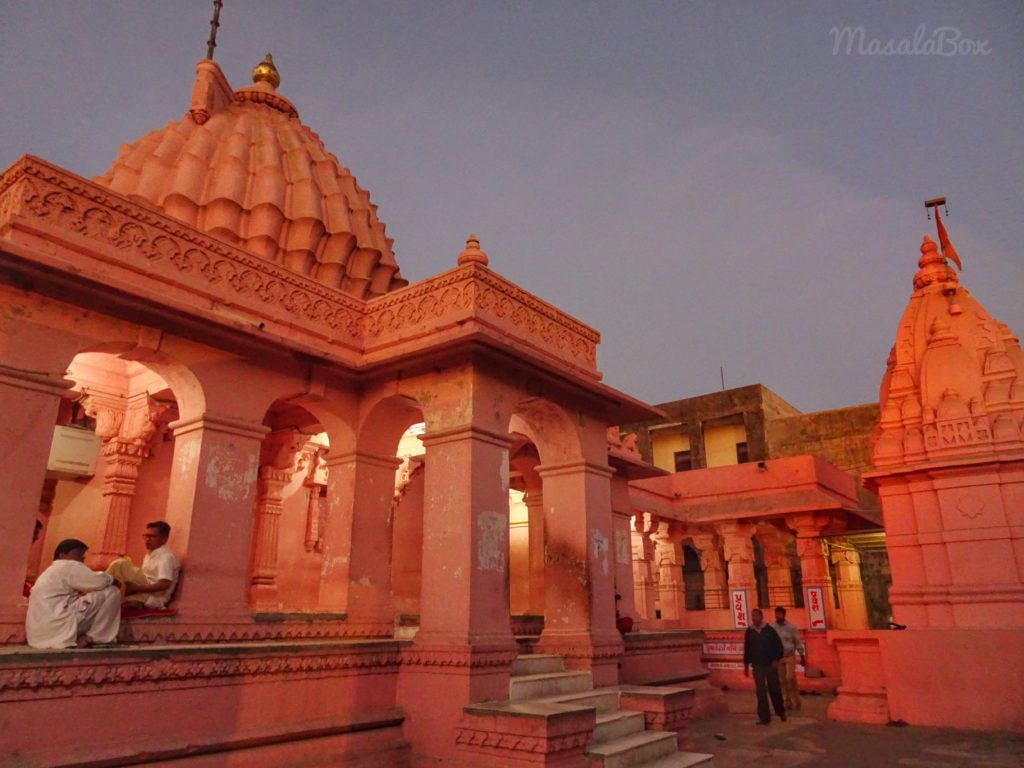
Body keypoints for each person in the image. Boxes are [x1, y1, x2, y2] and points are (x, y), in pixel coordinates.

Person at [26, 538, 121, 648]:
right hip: (59, 627)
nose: (81, 559)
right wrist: (112, 579)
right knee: (112, 592)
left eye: (83, 556)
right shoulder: (68, 565)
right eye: (77, 554)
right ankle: (96, 638)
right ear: (62, 555)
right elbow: (99, 581)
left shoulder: (49, 572)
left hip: (39, 635)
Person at [106, 521, 180, 609]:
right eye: (146, 536)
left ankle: (96, 588)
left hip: (155, 597)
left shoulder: (166, 556)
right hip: (144, 589)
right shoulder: (151, 553)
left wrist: (136, 588)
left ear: (164, 539)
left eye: (152, 536)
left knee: (120, 564)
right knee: (114, 591)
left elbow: (165, 584)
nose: (147, 540)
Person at [743, 607, 786, 725]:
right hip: (757, 666)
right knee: (760, 691)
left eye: (756, 615)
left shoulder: (769, 630)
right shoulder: (750, 631)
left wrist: (776, 659)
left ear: (761, 617)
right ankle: (764, 717)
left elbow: (779, 647)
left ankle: (780, 711)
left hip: (770, 665)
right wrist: (746, 664)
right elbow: (747, 649)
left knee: (774, 689)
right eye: (752, 616)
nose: (754, 618)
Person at [772, 606, 806, 711]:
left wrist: (802, 655)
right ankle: (787, 702)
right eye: (776, 614)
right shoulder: (772, 628)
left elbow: (797, 641)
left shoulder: (791, 627)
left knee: (790, 678)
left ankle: (796, 701)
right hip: (779, 657)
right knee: (782, 681)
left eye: (780, 614)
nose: (778, 616)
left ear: (784, 615)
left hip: (790, 655)